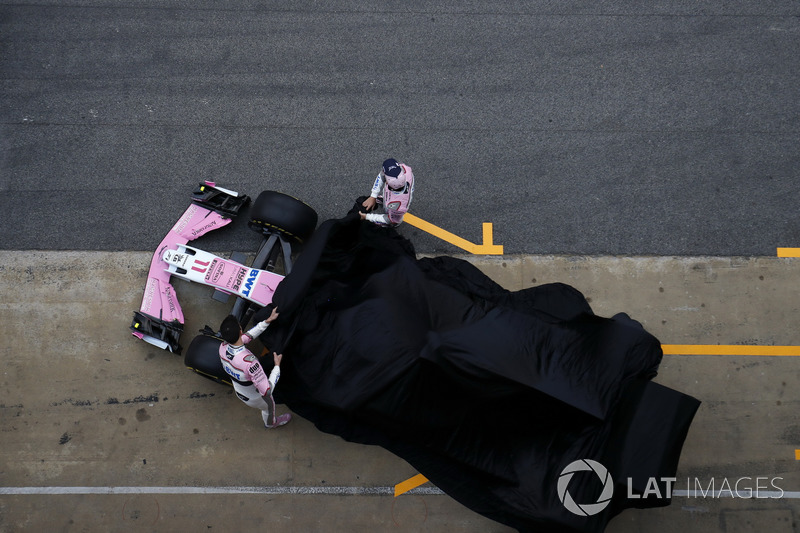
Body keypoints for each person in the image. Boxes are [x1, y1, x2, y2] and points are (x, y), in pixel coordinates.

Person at [218, 307, 291, 428]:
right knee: (269, 409)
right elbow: (267, 391)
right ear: (240, 330)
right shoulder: (250, 363)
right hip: (257, 398)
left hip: (240, 392)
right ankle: (271, 424)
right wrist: (277, 366)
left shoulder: (223, 347)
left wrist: (267, 321)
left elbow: (246, 338)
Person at [359, 158, 415, 226]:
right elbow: (382, 175)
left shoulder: (398, 207)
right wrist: (373, 196)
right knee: (387, 202)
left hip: (394, 210)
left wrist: (367, 217)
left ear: (387, 182)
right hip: (392, 199)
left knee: (393, 222)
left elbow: (390, 219)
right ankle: (384, 200)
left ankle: (393, 225)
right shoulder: (404, 170)